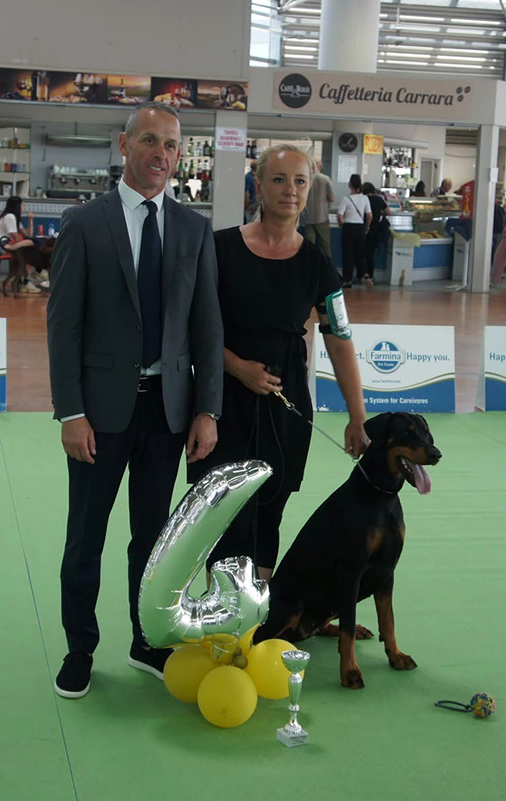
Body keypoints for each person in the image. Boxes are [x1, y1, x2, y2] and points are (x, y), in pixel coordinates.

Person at [47, 101, 223, 699]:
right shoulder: (84, 223)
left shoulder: (194, 229)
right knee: (86, 538)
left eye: (171, 145)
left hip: (167, 411)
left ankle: (146, 641)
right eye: (150, 140)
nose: (161, 154)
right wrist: (71, 411)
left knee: (152, 539)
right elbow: (63, 325)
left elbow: (208, 328)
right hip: (99, 413)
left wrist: (207, 409)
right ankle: (79, 648)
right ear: (124, 146)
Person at [188, 144, 368, 583]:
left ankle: (254, 611)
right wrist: (237, 367)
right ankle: (219, 608)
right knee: (221, 511)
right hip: (221, 403)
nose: (291, 190)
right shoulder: (220, 248)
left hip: (285, 407)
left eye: (300, 181)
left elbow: (340, 340)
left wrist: (357, 416)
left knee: (270, 510)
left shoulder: (318, 263)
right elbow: (193, 328)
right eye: (279, 179)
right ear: (259, 185)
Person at [337, 174, 372, 288]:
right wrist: (367, 227)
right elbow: (369, 215)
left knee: (348, 254)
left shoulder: (346, 199)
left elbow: (340, 215)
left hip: (348, 227)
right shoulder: (365, 198)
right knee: (360, 253)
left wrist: (342, 225)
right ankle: (366, 275)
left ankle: (348, 280)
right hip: (360, 227)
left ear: (350, 184)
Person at [0, 195, 40, 293]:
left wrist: (30, 220)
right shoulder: (10, 217)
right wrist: (21, 245)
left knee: (32, 244)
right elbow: (13, 235)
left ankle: (27, 279)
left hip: (8, 245)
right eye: (22, 205)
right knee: (31, 246)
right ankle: (28, 279)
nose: (23, 207)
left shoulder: (15, 219)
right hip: (3, 246)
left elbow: (28, 234)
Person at [304, 160, 335, 259]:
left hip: (308, 218)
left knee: (309, 245)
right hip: (322, 217)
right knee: (325, 245)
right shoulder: (326, 179)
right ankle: (326, 266)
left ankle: (309, 266)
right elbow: (332, 198)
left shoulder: (305, 179)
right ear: (320, 167)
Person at [362, 182, 390, 287]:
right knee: (371, 254)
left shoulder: (363, 199)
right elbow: (388, 212)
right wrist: (380, 213)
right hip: (375, 229)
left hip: (363, 228)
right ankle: (371, 276)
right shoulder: (379, 199)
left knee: (361, 253)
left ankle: (362, 275)